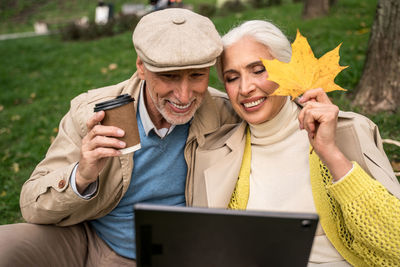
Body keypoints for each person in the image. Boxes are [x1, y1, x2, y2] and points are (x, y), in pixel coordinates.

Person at [0, 8, 238, 267]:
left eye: (197, 76)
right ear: (141, 68)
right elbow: (31, 206)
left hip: (171, 254)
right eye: (169, 76)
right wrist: (81, 176)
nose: (183, 95)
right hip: (89, 238)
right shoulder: (91, 111)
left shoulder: (227, 114)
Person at [190, 20, 400, 266]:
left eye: (258, 70)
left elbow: (395, 247)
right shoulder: (214, 153)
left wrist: (331, 153)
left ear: (289, 71)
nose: (245, 88)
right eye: (232, 77)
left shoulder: (352, 131)